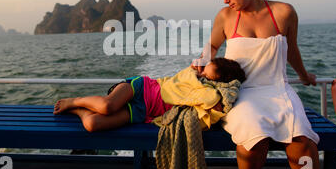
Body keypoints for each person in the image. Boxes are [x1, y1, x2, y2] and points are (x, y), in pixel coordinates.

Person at [191, 0, 320, 169]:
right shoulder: (225, 17)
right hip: (242, 93)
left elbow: (291, 50)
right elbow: (211, 48)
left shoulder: (284, 12)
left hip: (278, 90)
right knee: (254, 139)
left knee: (302, 141)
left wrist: (303, 75)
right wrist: (202, 63)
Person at [54, 57, 245, 132]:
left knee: (92, 124)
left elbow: (211, 104)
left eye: (207, 75)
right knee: (106, 106)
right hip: (143, 88)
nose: (201, 74)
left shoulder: (211, 93)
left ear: (219, 81)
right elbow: (202, 94)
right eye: (204, 71)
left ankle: (79, 110)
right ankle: (74, 100)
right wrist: (199, 72)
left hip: (142, 111)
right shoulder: (192, 75)